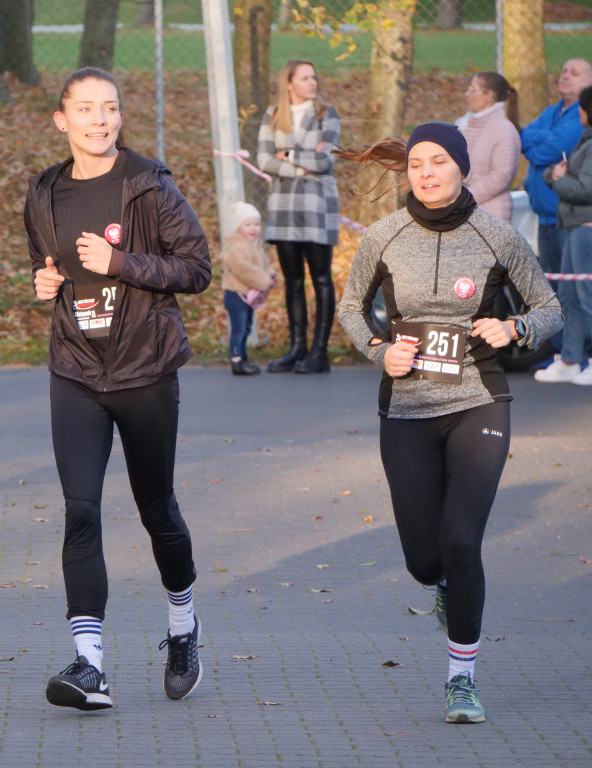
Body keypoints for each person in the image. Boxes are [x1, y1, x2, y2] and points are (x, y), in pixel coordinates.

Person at [335, 123, 562, 724]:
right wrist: (378, 350)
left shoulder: (496, 235)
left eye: (439, 161)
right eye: (416, 164)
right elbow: (350, 308)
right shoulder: (384, 236)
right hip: (406, 407)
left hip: (477, 400)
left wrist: (514, 329)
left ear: (462, 167)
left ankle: (461, 677)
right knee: (423, 559)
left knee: (461, 540)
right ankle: (440, 586)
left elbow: (549, 308)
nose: (427, 172)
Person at [24, 67, 211, 711]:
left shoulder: (148, 186)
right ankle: (88, 664)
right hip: (75, 371)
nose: (99, 120)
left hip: (145, 372)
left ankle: (183, 627)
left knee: (156, 509)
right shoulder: (44, 191)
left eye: (110, 108)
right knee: (80, 509)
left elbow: (197, 269)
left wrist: (122, 264)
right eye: (85, 109)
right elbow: (45, 262)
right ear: (62, 119)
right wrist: (44, 283)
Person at [257, 58, 341, 374]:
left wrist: (289, 155)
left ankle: (319, 352)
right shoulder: (273, 114)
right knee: (293, 281)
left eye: (314, 76)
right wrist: (301, 163)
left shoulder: (326, 114)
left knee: (321, 278)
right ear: (289, 83)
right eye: (305, 78)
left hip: (317, 205)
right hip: (283, 207)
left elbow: (325, 159)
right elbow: (264, 158)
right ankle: (297, 349)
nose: (312, 83)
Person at [535, 85, 592, 385]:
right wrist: (553, 175)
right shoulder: (585, 140)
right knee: (568, 295)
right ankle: (570, 359)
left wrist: (557, 181)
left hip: (586, 229)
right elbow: (563, 174)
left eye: (582, 108)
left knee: (587, 295)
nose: (579, 112)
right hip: (572, 228)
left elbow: (586, 189)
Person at [521, 59, 592, 284]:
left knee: (571, 285)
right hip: (544, 218)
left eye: (574, 72)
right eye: (563, 70)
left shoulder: (582, 118)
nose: (565, 75)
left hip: (569, 219)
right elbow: (523, 138)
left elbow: (552, 149)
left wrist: (542, 140)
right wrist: (546, 138)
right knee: (548, 286)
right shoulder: (551, 111)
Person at [219, 201, 277, 375]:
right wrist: (264, 281)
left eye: (256, 224)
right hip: (236, 294)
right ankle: (236, 360)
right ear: (238, 227)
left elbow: (264, 265)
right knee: (239, 328)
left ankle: (242, 356)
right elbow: (244, 270)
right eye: (248, 224)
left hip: (247, 295)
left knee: (246, 327)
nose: (253, 228)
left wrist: (272, 275)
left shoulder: (253, 245)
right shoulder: (238, 247)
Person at [457, 71, 521, 222]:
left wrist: (464, 198)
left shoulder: (503, 129)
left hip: (491, 216)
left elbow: (501, 175)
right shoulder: (463, 125)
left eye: (472, 89)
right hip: (465, 212)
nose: (467, 94)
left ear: (489, 95)